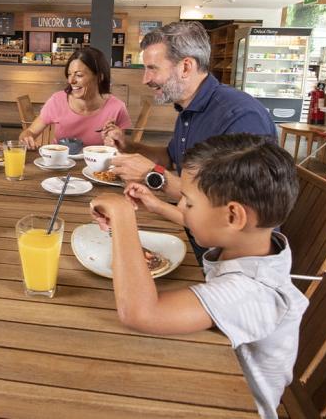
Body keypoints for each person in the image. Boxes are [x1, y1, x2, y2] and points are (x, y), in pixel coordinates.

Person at [89, 134, 308, 419]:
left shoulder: (250, 290)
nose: (182, 208)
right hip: (213, 370)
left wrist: (122, 215)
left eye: (188, 203)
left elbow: (140, 313)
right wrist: (156, 205)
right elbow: (209, 225)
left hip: (232, 404)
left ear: (233, 216)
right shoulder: (255, 246)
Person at [101, 21, 275, 262]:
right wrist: (129, 147)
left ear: (186, 66)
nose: (145, 79)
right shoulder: (189, 108)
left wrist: (153, 175)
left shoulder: (240, 116)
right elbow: (171, 157)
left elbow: (230, 213)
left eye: (152, 68)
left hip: (225, 258)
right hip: (191, 230)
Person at [19, 47, 131, 149]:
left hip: (96, 169)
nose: (71, 81)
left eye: (79, 75)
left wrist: (116, 144)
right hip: (60, 165)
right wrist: (27, 138)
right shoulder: (57, 101)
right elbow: (30, 131)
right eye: (69, 74)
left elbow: (122, 149)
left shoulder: (117, 108)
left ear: (99, 77)